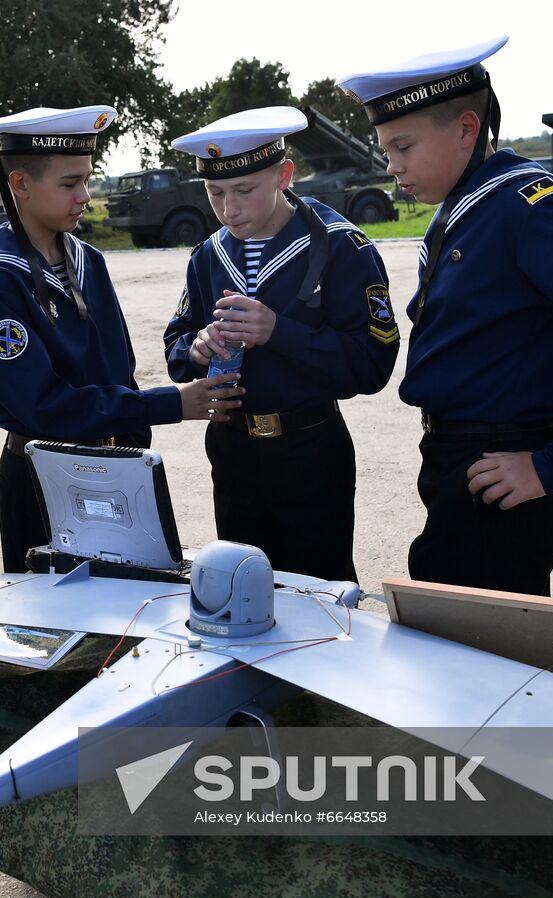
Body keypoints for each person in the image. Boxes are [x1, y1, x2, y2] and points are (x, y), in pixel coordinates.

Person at [338, 36, 553, 597]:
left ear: (467, 129)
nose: (391, 166)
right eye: (385, 150)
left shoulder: (536, 207)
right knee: (457, 623)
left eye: (403, 146)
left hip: (505, 461)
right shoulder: (461, 207)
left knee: (476, 645)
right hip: (460, 454)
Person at [0, 105, 244, 572]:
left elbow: (117, 373)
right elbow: (43, 406)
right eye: (69, 183)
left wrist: (132, 463)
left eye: (87, 179)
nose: (85, 195)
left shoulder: (87, 260)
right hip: (42, 477)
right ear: (21, 185)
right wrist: (169, 403)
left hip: (114, 467)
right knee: (50, 625)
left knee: (124, 621)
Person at [163, 107, 398, 582]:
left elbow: (373, 365)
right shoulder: (209, 255)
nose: (229, 209)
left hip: (310, 449)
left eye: (245, 190)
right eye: (215, 193)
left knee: (321, 593)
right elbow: (176, 343)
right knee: (243, 589)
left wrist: (281, 333)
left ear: (284, 174)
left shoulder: (340, 248)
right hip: (232, 451)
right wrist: (196, 348)